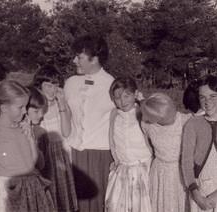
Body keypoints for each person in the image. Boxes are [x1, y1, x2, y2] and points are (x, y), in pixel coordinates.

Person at [0, 80, 54, 212]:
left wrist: (31, 138)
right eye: (20, 107)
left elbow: (34, 164)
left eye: (26, 106)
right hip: (7, 192)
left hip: (30, 191)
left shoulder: (23, 128)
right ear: (4, 108)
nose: (25, 111)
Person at [64, 34, 115, 211]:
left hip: (100, 155)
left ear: (94, 59)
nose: (74, 61)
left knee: (96, 204)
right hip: (74, 153)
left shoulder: (112, 85)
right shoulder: (70, 83)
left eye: (79, 57)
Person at [181, 75, 217, 212]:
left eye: (213, 96)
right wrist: (195, 193)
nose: (207, 101)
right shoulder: (192, 124)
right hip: (201, 189)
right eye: (202, 97)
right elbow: (186, 161)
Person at [31, 66, 78, 212]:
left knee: (62, 197)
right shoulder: (36, 107)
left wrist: (62, 104)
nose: (52, 90)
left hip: (59, 155)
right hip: (41, 154)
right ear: (39, 86)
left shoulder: (61, 106)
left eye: (56, 86)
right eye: (48, 86)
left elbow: (66, 132)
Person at [105, 77, 152, 212]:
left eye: (127, 95)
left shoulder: (142, 113)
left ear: (135, 94)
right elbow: (112, 141)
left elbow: (152, 141)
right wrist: (117, 160)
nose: (123, 101)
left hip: (142, 170)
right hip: (122, 171)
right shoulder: (114, 114)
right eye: (118, 98)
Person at [140, 92, 191, 212]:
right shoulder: (147, 125)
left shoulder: (185, 120)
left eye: (171, 113)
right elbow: (148, 147)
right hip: (160, 172)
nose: (172, 118)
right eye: (165, 119)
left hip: (180, 172)